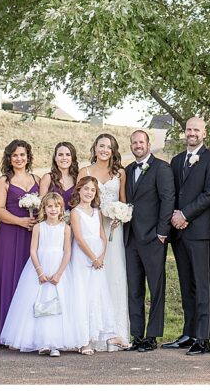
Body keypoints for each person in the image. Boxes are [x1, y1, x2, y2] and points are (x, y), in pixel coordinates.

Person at [164, 116, 210, 355]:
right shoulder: (176, 161)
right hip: (179, 232)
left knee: (201, 283)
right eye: (189, 129)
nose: (192, 133)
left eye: (196, 130)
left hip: (199, 231)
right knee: (186, 283)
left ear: (204, 134)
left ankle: (203, 336)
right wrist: (174, 217)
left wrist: (185, 214)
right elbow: (171, 193)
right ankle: (188, 333)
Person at [0, 192, 78, 356]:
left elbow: (67, 252)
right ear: (44, 208)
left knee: (59, 303)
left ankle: (55, 343)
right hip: (39, 267)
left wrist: (59, 273)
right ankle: (41, 342)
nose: (53, 209)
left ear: (62, 208)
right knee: (37, 301)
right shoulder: (38, 227)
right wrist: (39, 271)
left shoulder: (66, 228)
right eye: (50, 206)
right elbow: (33, 250)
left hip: (59, 268)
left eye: (57, 206)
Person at [77, 133, 131, 348]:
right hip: (92, 228)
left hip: (114, 230)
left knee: (114, 276)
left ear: (113, 150)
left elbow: (124, 201)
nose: (104, 150)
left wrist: (120, 215)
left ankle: (115, 333)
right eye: (101, 146)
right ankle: (92, 334)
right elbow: (79, 200)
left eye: (109, 147)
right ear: (95, 148)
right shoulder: (86, 171)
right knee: (93, 277)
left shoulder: (120, 173)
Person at [124, 129, 174, 352]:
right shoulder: (127, 170)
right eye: (134, 142)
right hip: (130, 238)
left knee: (156, 288)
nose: (137, 145)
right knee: (134, 288)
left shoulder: (161, 168)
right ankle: (137, 335)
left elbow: (167, 199)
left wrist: (162, 232)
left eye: (141, 142)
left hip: (154, 237)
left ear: (148, 143)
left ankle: (152, 336)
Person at [67, 176, 120, 353]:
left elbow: (102, 235)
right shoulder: (75, 212)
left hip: (98, 257)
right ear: (79, 191)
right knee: (82, 294)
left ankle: (101, 334)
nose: (89, 192)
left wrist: (102, 255)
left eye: (92, 190)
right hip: (83, 257)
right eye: (86, 189)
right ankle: (83, 341)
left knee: (95, 293)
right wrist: (93, 257)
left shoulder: (97, 212)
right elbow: (80, 239)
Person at [0, 139, 40, 335]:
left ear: (28, 157)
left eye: (22, 155)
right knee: (8, 277)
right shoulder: (4, 181)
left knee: (29, 280)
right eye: (15, 155)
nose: (19, 158)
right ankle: (5, 330)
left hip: (32, 236)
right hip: (10, 234)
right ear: (9, 158)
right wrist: (20, 221)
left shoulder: (38, 180)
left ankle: (28, 330)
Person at [39, 142, 79, 209]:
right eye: (60, 155)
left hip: (75, 218)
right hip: (53, 218)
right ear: (55, 158)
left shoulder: (78, 177)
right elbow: (42, 206)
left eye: (68, 155)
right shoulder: (47, 178)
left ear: (72, 158)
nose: (64, 158)